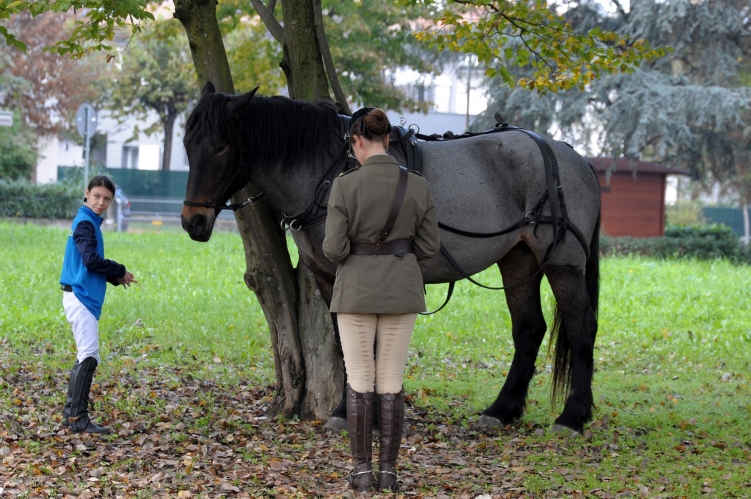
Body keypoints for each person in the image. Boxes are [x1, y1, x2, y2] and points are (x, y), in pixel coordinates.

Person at [323, 108, 440, 492]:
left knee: (359, 381)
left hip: (355, 291)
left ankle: (361, 473)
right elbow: (429, 246)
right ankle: (388, 472)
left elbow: (334, 249)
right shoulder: (418, 184)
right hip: (402, 290)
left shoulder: (344, 185)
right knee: (391, 381)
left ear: (357, 140)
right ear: (387, 139)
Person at [59, 175, 137, 434]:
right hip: (80, 297)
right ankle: (77, 420)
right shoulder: (85, 223)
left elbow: (89, 264)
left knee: (86, 355)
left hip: (83, 297)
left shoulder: (90, 221)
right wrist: (119, 267)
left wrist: (115, 276)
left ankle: (72, 416)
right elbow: (91, 260)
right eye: (97, 196)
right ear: (87, 193)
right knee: (89, 355)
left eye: (107, 199)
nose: (101, 202)